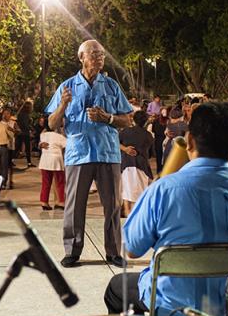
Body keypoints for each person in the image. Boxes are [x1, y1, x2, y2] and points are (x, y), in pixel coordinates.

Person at [103, 102, 228, 316]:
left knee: (116, 289)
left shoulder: (163, 189)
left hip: (172, 306)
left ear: (190, 141)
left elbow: (133, 249)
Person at [45, 39, 133, 268]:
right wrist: (63, 105)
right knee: (74, 206)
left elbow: (127, 120)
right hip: (78, 154)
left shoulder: (112, 86)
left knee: (112, 206)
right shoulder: (67, 86)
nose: (99, 58)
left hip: (108, 154)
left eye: (102, 54)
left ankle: (113, 252)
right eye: (94, 54)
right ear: (82, 57)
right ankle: (72, 251)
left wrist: (108, 118)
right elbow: (52, 123)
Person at [120, 111, 154, 216]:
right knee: (139, 194)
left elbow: (114, 142)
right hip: (141, 166)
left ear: (133, 119)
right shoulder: (148, 136)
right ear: (145, 121)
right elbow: (151, 154)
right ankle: (135, 216)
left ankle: (126, 213)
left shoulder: (125, 131)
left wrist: (125, 149)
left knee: (126, 191)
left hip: (126, 165)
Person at [38, 121, 67, 210]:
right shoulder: (60, 137)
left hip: (45, 160)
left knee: (46, 183)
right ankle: (61, 202)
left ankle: (44, 202)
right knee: (60, 182)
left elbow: (41, 142)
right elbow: (66, 145)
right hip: (56, 160)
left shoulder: (43, 135)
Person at [15, 100, 34, 167]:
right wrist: (30, 130)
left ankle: (9, 161)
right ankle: (29, 163)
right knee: (27, 148)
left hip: (21, 133)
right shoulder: (25, 114)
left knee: (17, 147)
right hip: (24, 133)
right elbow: (25, 124)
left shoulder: (21, 113)